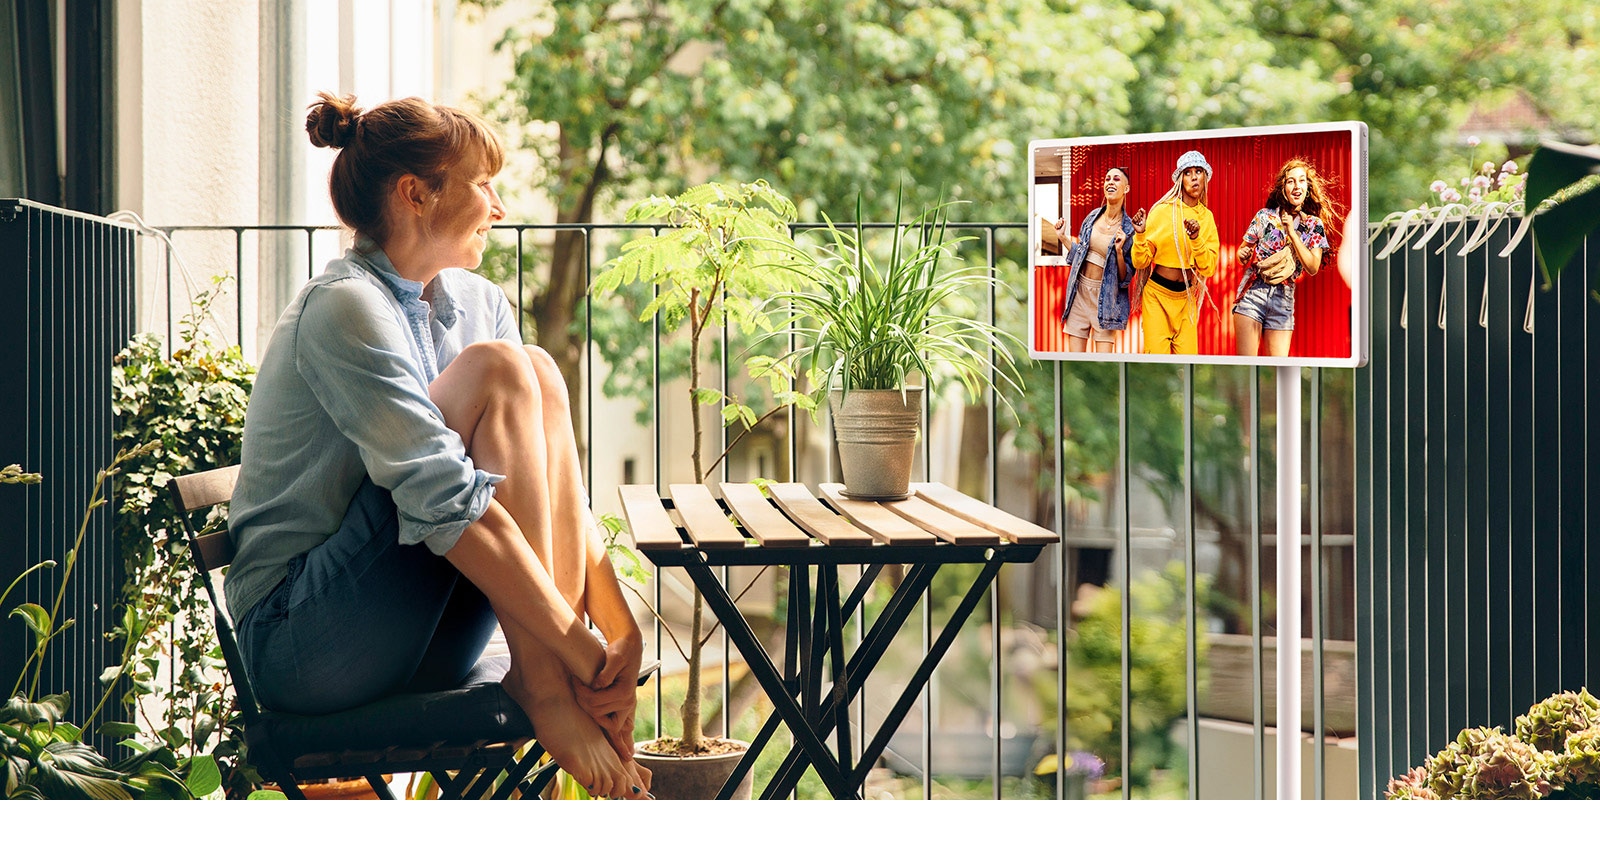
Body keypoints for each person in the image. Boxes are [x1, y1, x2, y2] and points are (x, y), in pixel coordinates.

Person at [225, 93, 650, 799]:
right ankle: (548, 692)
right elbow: (446, 503)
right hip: (306, 642)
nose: (499, 207)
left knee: (536, 369)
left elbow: (548, 489)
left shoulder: (478, 304)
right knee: (502, 370)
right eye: (484, 185)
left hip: (414, 628)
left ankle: (556, 684)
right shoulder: (344, 308)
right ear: (416, 194)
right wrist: (578, 660)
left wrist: (617, 632)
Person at [1232, 158, 1336, 357]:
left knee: (1279, 369)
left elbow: (1312, 267)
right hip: (1255, 292)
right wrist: (1242, 254)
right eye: (1291, 181)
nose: (1297, 186)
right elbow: (1242, 251)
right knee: (1246, 366)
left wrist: (1292, 232)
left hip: (1284, 298)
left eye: (1302, 181)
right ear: (1283, 188)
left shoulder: (1313, 225)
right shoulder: (1265, 216)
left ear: (1307, 187)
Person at [1130, 150, 1220, 355]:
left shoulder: (1206, 218)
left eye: (1199, 171)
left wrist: (1196, 238)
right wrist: (1141, 234)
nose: (1194, 176)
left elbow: (1209, 267)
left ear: (1206, 177)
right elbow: (1140, 262)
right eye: (1188, 172)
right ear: (1180, 179)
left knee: (1189, 361)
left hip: (1186, 299)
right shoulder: (1162, 211)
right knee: (1156, 362)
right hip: (1157, 297)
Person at [1054, 166, 1136, 353]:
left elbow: (1125, 278)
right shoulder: (1092, 217)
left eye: (1116, 179)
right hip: (1080, 294)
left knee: (1104, 364)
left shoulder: (1129, 229)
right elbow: (1080, 256)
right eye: (1107, 179)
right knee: (1074, 362)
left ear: (1126, 188)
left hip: (1106, 300)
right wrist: (1063, 238)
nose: (1110, 182)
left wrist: (1120, 251)